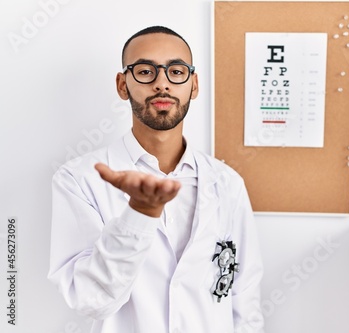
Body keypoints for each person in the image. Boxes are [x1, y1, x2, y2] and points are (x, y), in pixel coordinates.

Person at [47, 26, 265, 333]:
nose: (162, 84)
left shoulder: (227, 183)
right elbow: (90, 299)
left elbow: (245, 300)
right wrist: (139, 215)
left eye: (176, 71)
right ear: (123, 85)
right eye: (146, 71)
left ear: (194, 85)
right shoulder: (79, 180)